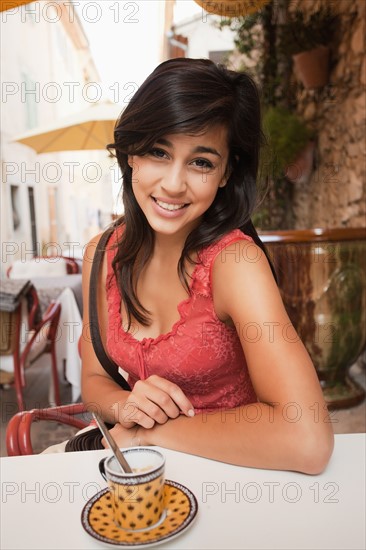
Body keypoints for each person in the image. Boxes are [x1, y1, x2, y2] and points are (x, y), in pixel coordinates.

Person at [81, 58, 334, 474]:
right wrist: (125, 404)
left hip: (238, 477)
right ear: (131, 155)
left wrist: (152, 432)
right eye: (158, 152)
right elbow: (93, 379)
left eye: (200, 162)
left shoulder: (235, 263)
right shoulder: (101, 253)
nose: (174, 184)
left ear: (225, 173)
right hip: (145, 477)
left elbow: (307, 440)